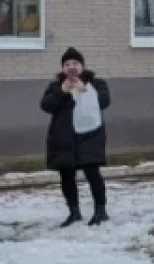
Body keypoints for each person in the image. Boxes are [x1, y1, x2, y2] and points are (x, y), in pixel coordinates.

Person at [40, 48, 112, 227]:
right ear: (62, 68)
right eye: (67, 64)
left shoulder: (96, 83)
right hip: (63, 139)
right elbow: (46, 106)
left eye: (75, 63)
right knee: (66, 177)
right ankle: (74, 212)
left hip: (89, 138)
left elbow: (104, 102)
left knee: (93, 174)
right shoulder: (56, 86)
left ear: (82, 66)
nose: (71, 67)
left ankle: (100, 211)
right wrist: (62, 91)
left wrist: (85, 90)